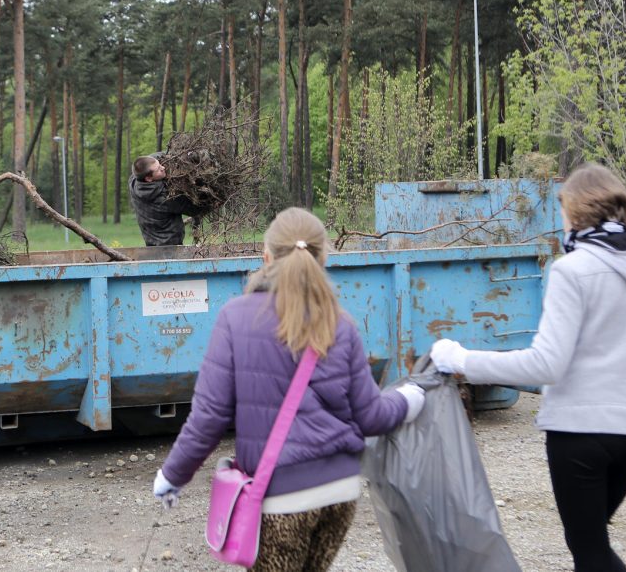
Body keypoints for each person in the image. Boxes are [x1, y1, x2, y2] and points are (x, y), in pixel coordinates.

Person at [431, 163, 626, 572]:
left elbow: (547, 363)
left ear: (576, 213)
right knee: (590, 544)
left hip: (580, 434)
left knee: (590, 551)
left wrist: (462, 361)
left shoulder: (571, 270)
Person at [152, 207, 426, 572]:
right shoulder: (339, 323)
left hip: (281, 499)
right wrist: (410, 398)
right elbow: (372, 416)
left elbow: (210, 416)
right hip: (340, 494)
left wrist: (172, 475)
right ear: (322, 258)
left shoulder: (236, 317)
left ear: (265, 257)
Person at [128, 154, 202, 246]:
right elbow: (196, 209)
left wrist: (182, 156)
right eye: (158, 169)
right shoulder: (165, 199)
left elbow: (155, 157)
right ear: (149, 178)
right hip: (169, 246)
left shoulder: (134, 182)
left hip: (150, 244)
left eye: (160, 164)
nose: (163, 167)